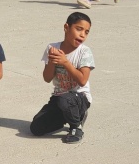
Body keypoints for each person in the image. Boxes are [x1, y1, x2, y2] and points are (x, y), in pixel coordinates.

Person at [30, 11, 94, 143]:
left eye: (86, 32)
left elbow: (82, 81)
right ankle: (69, 116)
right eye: (79, 29)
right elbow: (47, 78)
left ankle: (77, 126)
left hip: (80, 97)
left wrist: (65, 62)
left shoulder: (85, 51)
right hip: (59, 97)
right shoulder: (52, 48)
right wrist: (52, 62)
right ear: (66, 27)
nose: (82, 34)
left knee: (65, 99)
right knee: (36, 128)